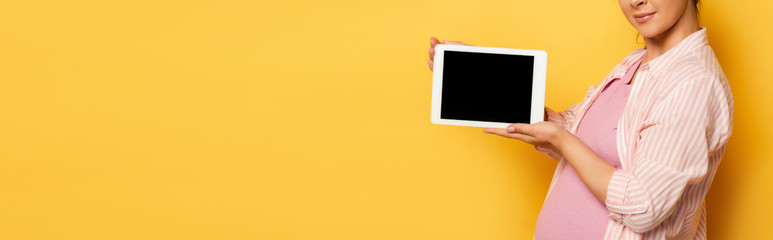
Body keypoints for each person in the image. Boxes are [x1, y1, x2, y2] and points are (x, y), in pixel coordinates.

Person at [426, 0, 733, 239]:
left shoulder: (693, 82)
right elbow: (580, 138)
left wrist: (562, 140)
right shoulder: (635, 62)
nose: (635, 1)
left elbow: (644, 206)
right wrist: (486, 77)